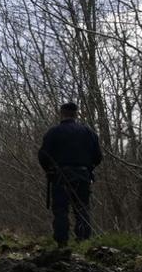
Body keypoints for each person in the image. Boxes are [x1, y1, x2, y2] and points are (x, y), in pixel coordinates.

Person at [38, 101, 103, 247]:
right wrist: (89, 168)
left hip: (60, 176)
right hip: (83, 175)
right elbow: (98, 156)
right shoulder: (89, 132)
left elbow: (43, 155)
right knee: (82, 209)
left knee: (61, 210)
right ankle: (83, 242)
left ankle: (62, 243)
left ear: (61, 114)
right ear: (76, 114)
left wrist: (49, 170)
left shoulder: (53, 132)